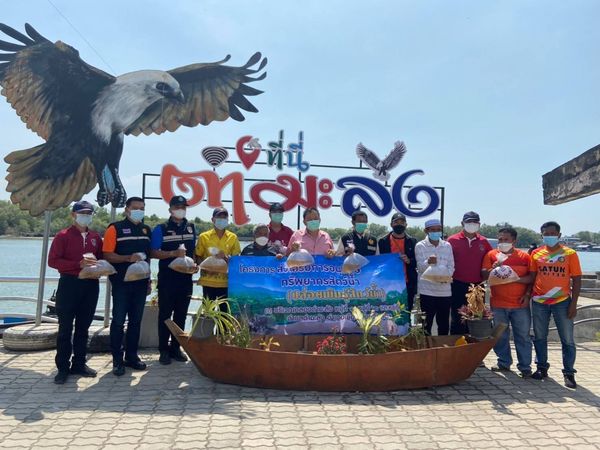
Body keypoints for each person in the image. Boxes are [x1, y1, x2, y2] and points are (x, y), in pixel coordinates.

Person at [48, 201, 103, 384]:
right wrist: (77, 264)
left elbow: (101, 258)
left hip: (91, 285)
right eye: (82, 213)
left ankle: (79, 363)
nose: (85, 216)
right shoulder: (62, 236)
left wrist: (102, 267)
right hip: (69, 284)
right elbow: (53, 261)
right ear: (73, 215)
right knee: (65, 329)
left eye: (89, 213)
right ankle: (62, 368)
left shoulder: (95, 237)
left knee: (83, 327)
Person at [529, 221, 582, 389]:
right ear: (542, 235)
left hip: (562, 302)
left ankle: (569, 373)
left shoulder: (570, 253)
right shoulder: (536, 253)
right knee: (539, 337)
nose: (550, 236)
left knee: (567, 339)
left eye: (553, 234)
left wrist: (573, 304)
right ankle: (541, 368)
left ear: (559, 235)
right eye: (546, 234)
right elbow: (532, 276)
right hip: (539, 302)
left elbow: (577, 279)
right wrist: (527, 296)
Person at [103, 196, 152, 376]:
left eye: (142, 208)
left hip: (141, 284)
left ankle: (132, 356)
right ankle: (117, 360)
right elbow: (107, 255)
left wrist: (149, 280)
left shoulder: (146, 229)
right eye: (135, 208)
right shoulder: (114, 228)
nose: (139, 211)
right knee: (118, 321)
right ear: (127, 210)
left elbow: (148, 257)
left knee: (136, 322)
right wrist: (127, 258)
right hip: (121, 283)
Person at [150, 195, 197, 366]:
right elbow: (153, 252)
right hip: (167, 279)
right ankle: (163, 350)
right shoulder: (161, 228)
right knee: (165, 315)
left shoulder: (191, 227)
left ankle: (176, 348)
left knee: (181, 315)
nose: (181, 210)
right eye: (177, 207)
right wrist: (172, 254)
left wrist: (195, 264)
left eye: (183, 207)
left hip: (186, 279)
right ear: (170, 209)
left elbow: (193, 252)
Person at [481, 227, 533, 377]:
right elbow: (484, 275)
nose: (502, 242)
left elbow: (532, 278)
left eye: (506, 239)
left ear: (514, 241)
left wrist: (527, 294)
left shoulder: (524, 257)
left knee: (522, 336)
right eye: (500, 239)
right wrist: (493, 269)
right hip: (498, 304)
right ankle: (503, 363)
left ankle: (525, 367)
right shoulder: (491, 255)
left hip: (520, 304)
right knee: (500, 336)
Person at [447, 211, 492, 335]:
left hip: (477, 285)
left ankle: (473, 343)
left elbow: (491, 259)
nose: (472, 224)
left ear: (479, 224)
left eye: (475, 222)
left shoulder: (484, 241)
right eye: (469, 222)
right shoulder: (452, 240)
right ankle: (457, 343)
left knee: (476, 316)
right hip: (457, 284)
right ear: (462, 223)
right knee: (458, 317)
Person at [414, 219, 454, 335]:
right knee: (426, 325)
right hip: (427, 292)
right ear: (426, 231)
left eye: (438, 230)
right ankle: (426, 346)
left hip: (444, 292)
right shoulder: (420, 246)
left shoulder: (447, 245)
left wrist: (443, 276)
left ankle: (442, 345)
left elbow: (451, 266)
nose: (436, 232)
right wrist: (428, 262)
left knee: (443, 325)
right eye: (433, 230)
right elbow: (420, 268)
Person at [195, 207, 241, 306]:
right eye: (219, 217)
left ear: (227, 220)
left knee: (224, 312)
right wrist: (206, 267)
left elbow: (236, 259)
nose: (222, 220)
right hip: (208, 281)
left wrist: (227, 259)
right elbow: (198, 257)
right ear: (213, 219)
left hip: (225, 283)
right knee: (208, 312)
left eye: (224, 217)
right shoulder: (203, 236)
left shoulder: (233, 237)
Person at [378, 212, 418, 310]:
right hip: (388, 282)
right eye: (396, 222)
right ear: (391, 224)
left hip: (407, 283)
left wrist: (409, 260)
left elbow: (418, 261)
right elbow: (378, 262)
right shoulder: (382, 241)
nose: (399, 225)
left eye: (402, 222)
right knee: (389, 311)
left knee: (406, 311)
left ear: (406, 225)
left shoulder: (412, 241)